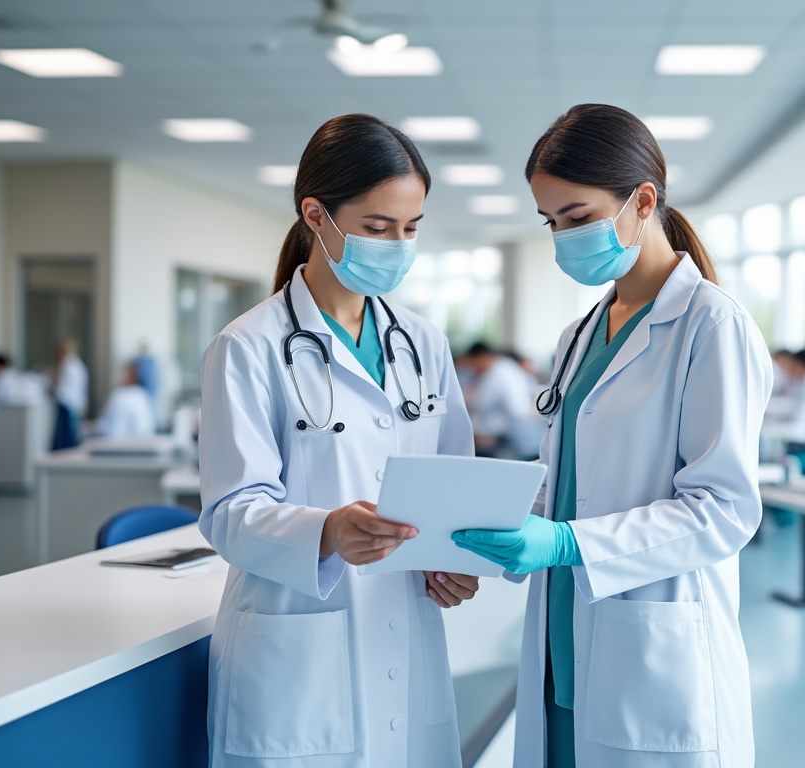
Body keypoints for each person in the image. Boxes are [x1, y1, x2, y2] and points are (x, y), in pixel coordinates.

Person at [453, 104, 772, 768]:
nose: (563, 237)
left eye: (577, 217)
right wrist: (481, 535)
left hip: (650, 644)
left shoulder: (711, 325)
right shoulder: (578, 336)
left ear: (642, 202)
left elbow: (724, 510)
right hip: (563, 633)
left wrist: (567, 542)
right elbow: (565, 481)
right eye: (551, 222)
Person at [198, 114, 479, 768]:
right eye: (377, 228)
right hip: (296, 653)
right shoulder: (248, 346)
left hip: (406, 629)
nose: (397, 245)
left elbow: (455, 483)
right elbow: (229, 512)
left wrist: (453, 562)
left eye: (410, 228)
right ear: (315, 216)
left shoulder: (422, 342)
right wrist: (325, 532)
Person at [458, 341, 545, 459]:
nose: (472, 368)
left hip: (514, 440)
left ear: (482, 357)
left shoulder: (498, 373)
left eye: (472, 363)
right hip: (515, 434)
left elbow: (481, 403)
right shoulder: (504, 367)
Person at [94, 363, 156, 438]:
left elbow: (113, 429)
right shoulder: (143, 395)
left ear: (131, 376)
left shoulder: (120, 396)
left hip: (119, 442)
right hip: (143, 442)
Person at [51, 338, 88, 450]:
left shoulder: (68, 364)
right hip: (75, 404)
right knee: (71, 436)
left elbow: (61, 388)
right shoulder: (78, 364)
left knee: (64, 440)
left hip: (67, 404)